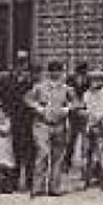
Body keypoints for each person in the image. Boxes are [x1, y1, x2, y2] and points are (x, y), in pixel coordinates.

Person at [25, 60, 77, 197]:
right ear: (48, 72)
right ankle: (38, 187)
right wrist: (38, 108)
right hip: (42, 124)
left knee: (58, 157)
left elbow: (77, 102)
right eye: (53, 71)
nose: (56, 73)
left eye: (58, 71)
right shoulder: (40, 87)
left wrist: (68, 108)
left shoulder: (66, 88)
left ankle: (54, 187)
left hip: (60, 124)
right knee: (43, 153)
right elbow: (27, 99)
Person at [0, 51, 36, 190]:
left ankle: (30, 182)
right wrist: (2, 115)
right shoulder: (5, 79)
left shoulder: (33, 81)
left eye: (24, 63)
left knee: (30, 151)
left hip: (29, 119)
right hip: (13, 118)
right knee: (14, 152)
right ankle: (14, 182)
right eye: (19, 63)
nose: (21, 67)